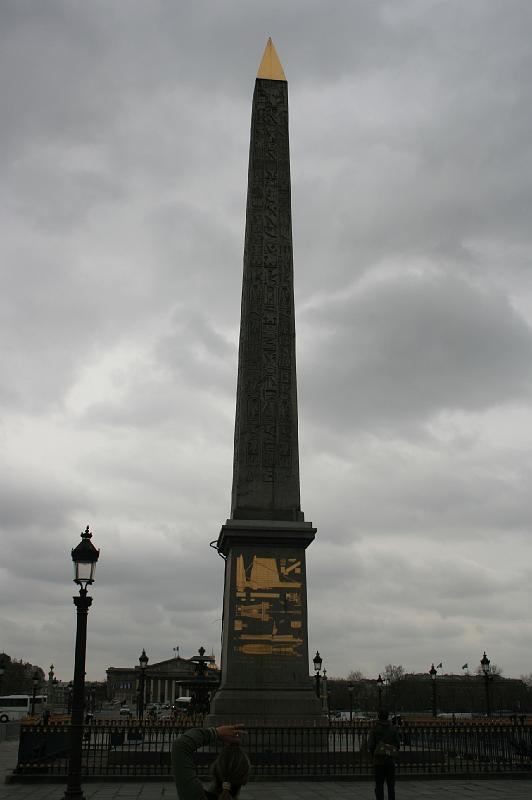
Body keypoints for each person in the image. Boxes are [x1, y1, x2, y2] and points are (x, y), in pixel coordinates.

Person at [171, 725, 250, 800]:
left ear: (215, 769)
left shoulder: (195, 796)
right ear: (244, 779)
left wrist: (216, 732)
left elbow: (180, 746)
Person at [367, 709, 401, 800]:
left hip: (378, 761)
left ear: (378, 717)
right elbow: (398, 744)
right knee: (391, 786)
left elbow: (370, 745)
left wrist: (374, 754)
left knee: (379, 785)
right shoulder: (393, 729)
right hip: (390, 761)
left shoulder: (374, 729)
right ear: (387, 717)